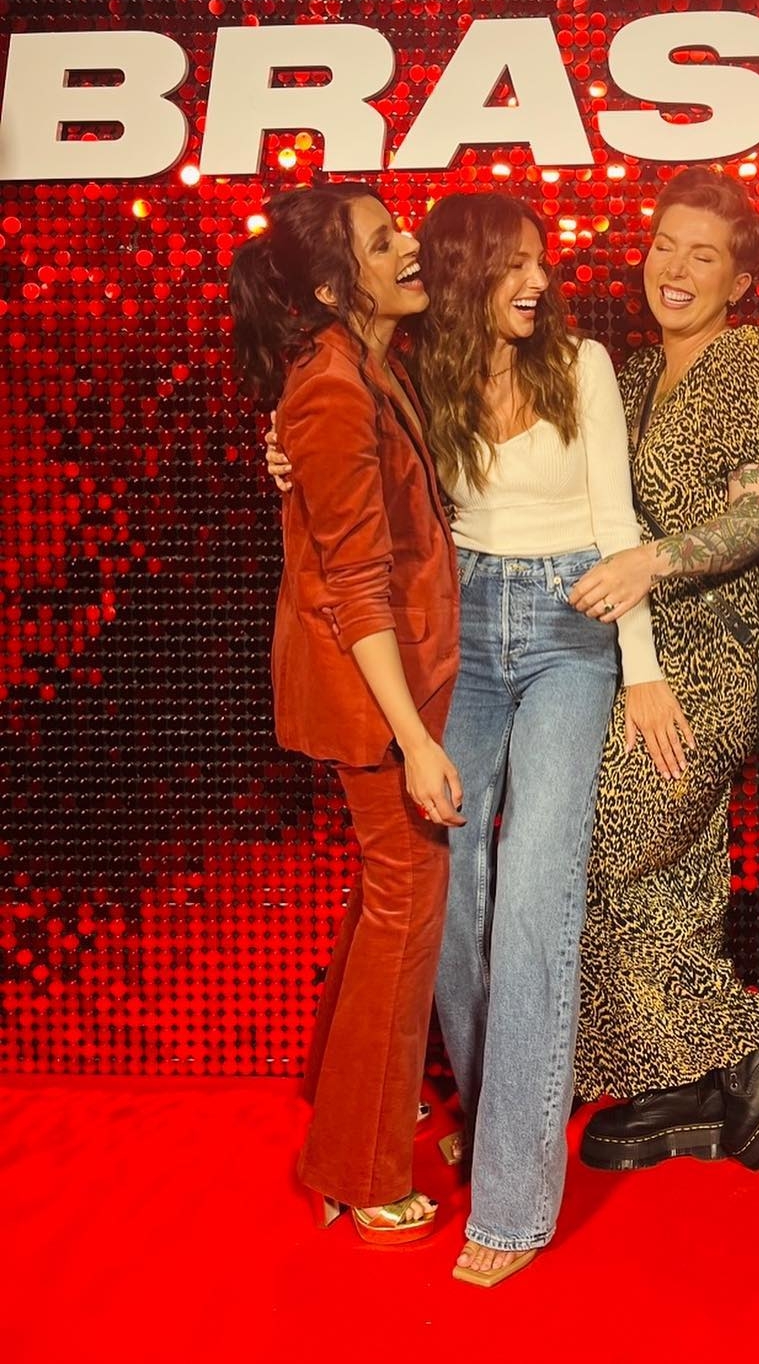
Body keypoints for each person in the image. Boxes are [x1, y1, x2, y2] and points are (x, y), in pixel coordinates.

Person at [266, 193, 685, 1287]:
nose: (536, 282)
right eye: (511, 266)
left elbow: (617, 524)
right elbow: (353, 467)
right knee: (450, 890)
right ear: (463, 274)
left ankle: (512, 1200)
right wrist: (286, 456)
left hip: (572, 625)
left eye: (542, 262)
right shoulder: (411, 371)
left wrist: (641, 666)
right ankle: (497, 1105)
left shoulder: (581, 364)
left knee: (538, 893)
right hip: (461, 623)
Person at [569, 168, 759, 1173]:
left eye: (702, 254)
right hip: (629, 660)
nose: (674, 268)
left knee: (610, 854)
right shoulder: (632, 376)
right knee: (670, 875)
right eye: (664, 244)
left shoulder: (750, 359)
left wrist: (652, 561)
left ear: (740, 281)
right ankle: (681, 1085)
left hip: (707, 663)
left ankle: (753, 1034)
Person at [231, 182, 462, 1244]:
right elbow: (357, 586)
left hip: (396, 676)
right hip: (375, 693)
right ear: (334, 287)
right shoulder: (331, 386)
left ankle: (352, 1093)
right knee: (405, 907)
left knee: (389, 900)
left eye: (398, 228)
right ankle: (356, 1166)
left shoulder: (363, 365)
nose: (408, 245)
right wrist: (413, 740)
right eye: (382, 242)